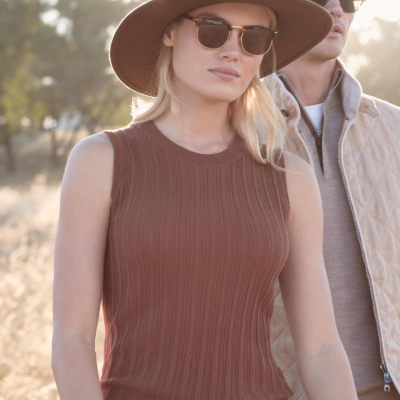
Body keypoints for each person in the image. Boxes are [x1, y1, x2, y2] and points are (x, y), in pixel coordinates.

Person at [51, 0, 358, 399]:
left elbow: (321, 349)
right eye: (213, 29)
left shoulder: (291, 178)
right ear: (169, 32)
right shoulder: (101, 161)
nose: (232, 51)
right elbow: (71, 339)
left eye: (254, 38)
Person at [262, 0, 400, 399]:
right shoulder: (231, 127)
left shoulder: (394, 128)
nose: (336, 9)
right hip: (281, 390)